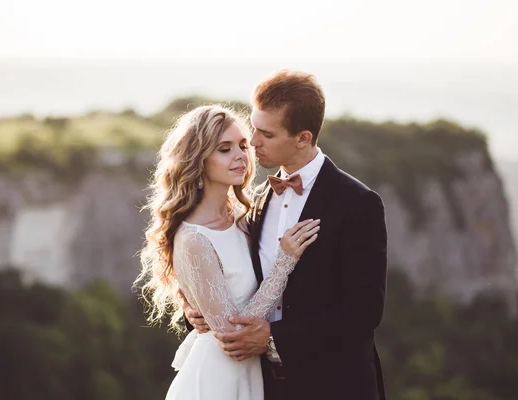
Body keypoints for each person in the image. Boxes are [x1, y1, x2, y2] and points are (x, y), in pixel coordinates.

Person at [182, 70, 388, 400]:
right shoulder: (255, 200)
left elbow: (364, 312)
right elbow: (233, 280)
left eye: (266, 134)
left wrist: (274, 337)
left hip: (335, 385)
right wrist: (198, 315)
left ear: (303, 138)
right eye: (254, 128)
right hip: (260, 386)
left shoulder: (358, 204)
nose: (253, 142)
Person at [135, 104, 321, 400]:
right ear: (198, 160)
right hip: (216, 380)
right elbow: (233, 334)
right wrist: (285, 262)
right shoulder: (193, 237)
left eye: (243, 145)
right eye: (224, 149)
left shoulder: (244, 217)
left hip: (252, 376)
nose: (240, 156)